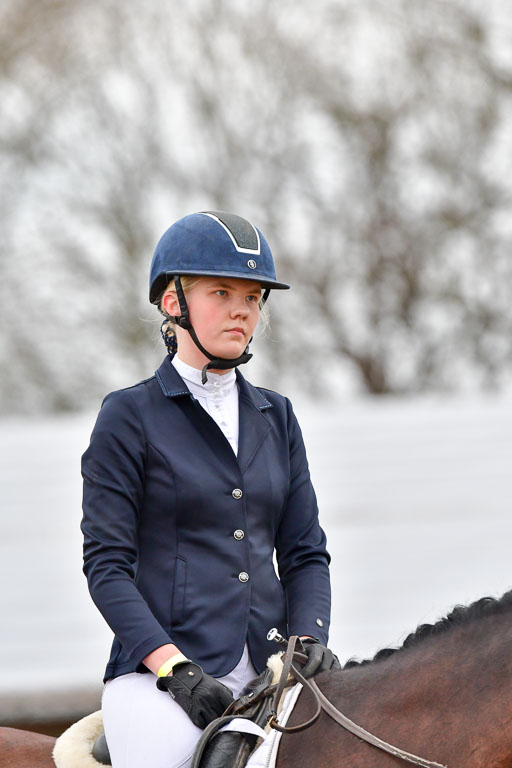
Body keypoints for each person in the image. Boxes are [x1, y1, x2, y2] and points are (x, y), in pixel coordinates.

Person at [81, 211, 338, 768]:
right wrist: (175, 669)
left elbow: (304, 553)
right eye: (221, 291)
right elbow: (107, 566)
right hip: (161, 681)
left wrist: (310, 639)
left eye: (253, 295)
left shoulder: (278, 416)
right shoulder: (129, 416)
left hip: (273, 670)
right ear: (173, 302)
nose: (242, 308)